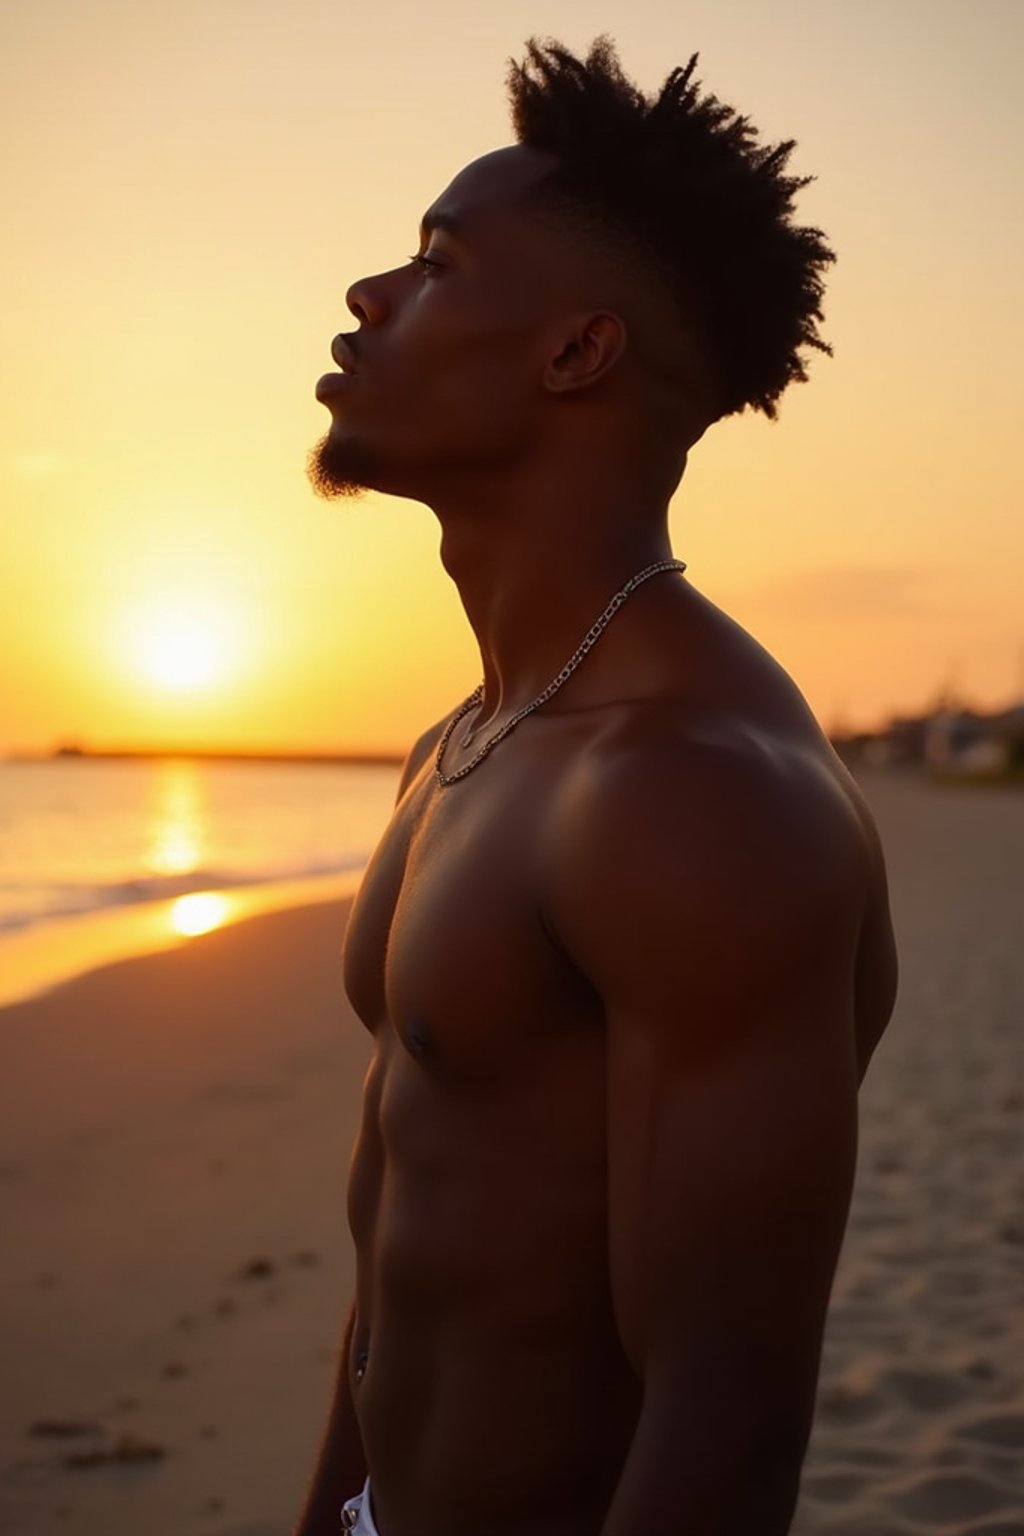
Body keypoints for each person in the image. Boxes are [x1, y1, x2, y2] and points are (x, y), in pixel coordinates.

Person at [296, 36, 898, 1536]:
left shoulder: (692, 799)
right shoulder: (467, 743)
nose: (370, 296)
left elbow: (729, 1422)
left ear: (578, 352)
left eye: (437, 263)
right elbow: (394, 1262)